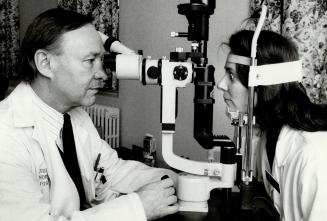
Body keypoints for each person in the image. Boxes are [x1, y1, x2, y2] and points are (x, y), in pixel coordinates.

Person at [0, 8, 178, 221]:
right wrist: (137, 208)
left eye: (101, 61)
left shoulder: (75, 116)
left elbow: (112, 171)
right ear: (45, 63)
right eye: (90, 61)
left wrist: (172, 181)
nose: (102, 74)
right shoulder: (6, 135)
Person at [217, 29, 327, 221]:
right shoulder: (268, 135)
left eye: (231, 76)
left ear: (261, 84)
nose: (221, 84)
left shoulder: (313, 155)